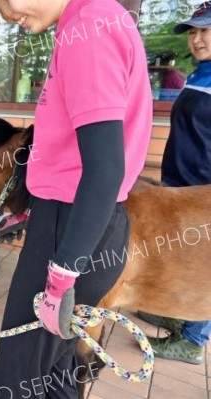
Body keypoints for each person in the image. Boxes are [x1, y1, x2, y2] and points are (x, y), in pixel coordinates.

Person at [0, 0, 152, 398]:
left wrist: (60, 278)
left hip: (72, 228)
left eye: (4, 2)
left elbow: (105, 169)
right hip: (79, 222)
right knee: (53, 374)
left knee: (16, 381)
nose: (7, 16)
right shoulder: (94, 17)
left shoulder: (88, 27)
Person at [137, 2, 211, 366]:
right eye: (193, 32)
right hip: (180, 182)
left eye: (205, 31)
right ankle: (173, 310)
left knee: (202, 261)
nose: (197, 39)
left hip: (204, 192)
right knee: (174, 252)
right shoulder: (198, 74)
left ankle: (195, 340)